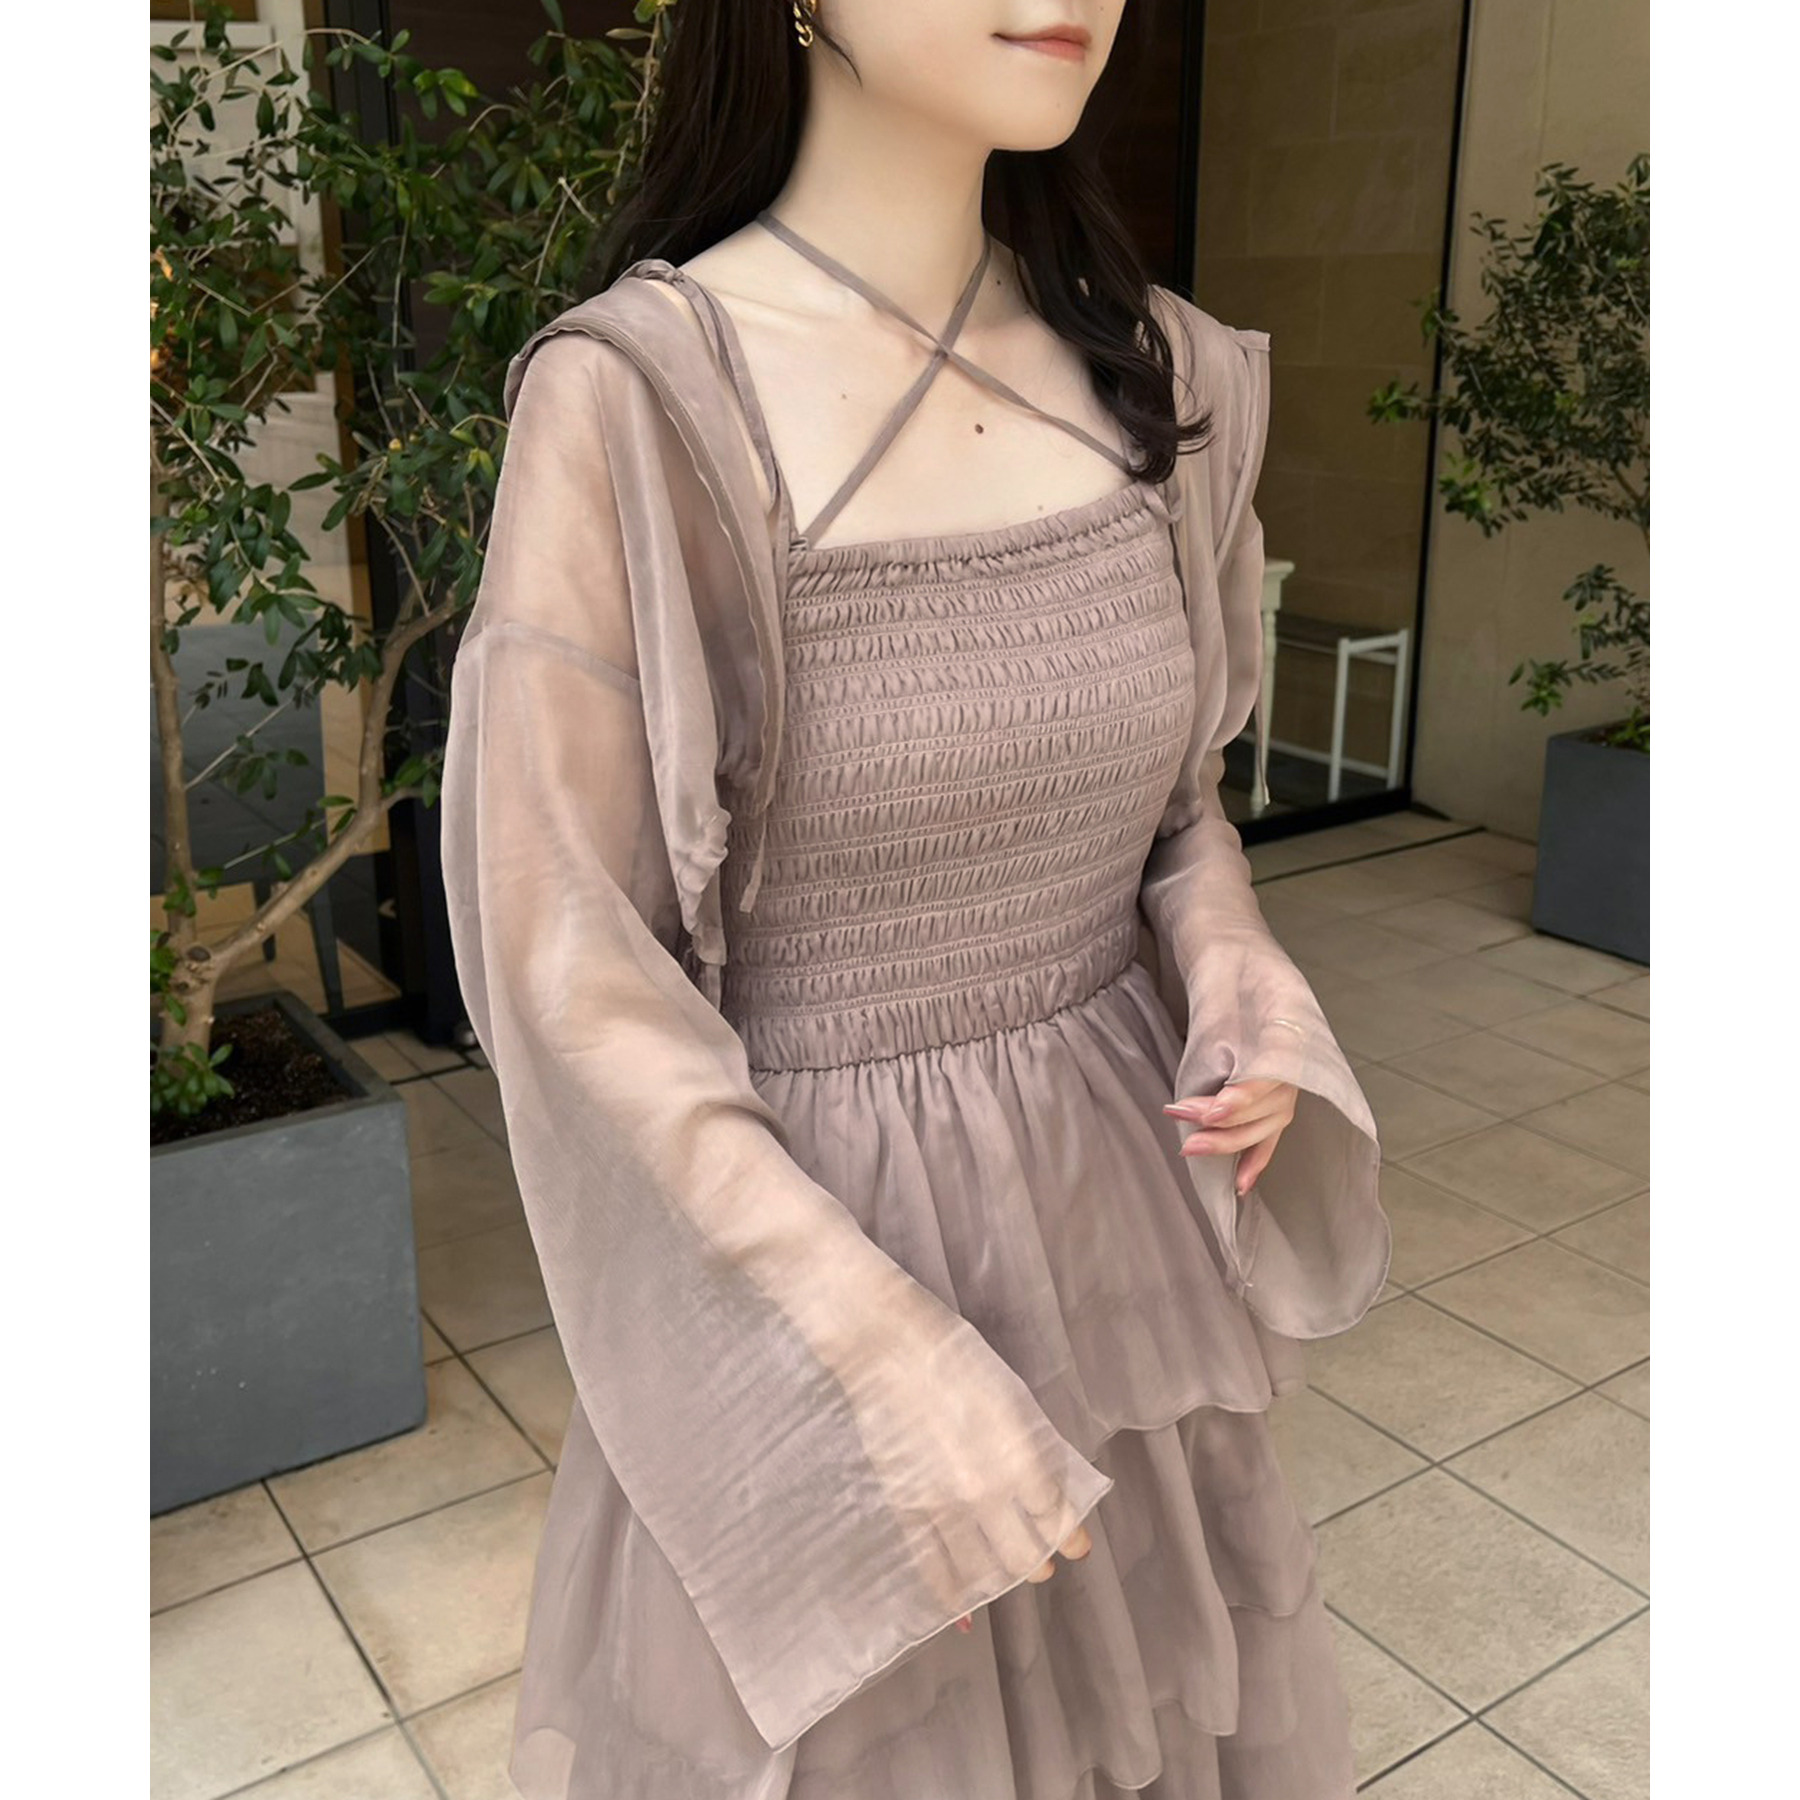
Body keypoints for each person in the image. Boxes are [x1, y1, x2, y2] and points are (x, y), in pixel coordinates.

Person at [438, 3, 1391, 1795]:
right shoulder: (644, 400)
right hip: (818, 1257)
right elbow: (568, 960)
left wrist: (1239, 972)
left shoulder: (1163, 375)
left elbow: (1174, 810)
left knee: (1150, 1725)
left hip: (1113, 1229)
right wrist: (870, 1360)